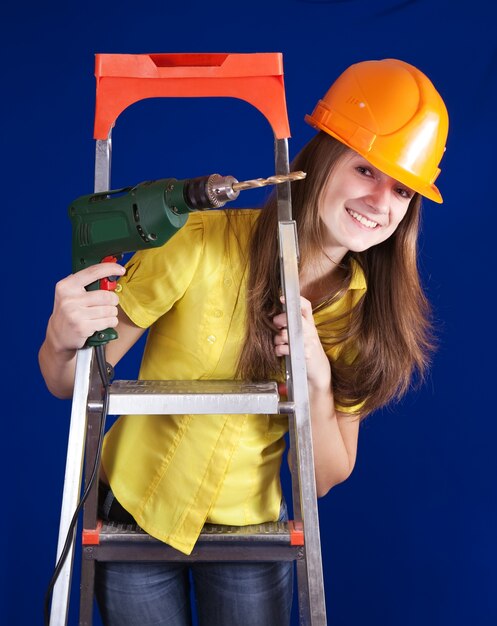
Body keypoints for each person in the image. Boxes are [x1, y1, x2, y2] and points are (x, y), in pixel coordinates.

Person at [39, 58, 449, 626]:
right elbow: (69, 383)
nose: (381, 203)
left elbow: (328, 475)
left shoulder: (364, 311)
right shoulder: (197, 243)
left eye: (402, 191)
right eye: (365, 171)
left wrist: (318, 376)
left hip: (251, 535)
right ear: (322, 160)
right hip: (132, 516)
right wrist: (61, 340)